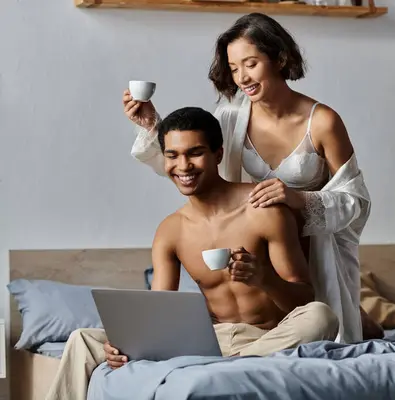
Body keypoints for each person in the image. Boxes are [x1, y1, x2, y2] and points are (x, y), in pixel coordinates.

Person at [45, 107, 339, 400]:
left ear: (218, 155)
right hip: (204, 342)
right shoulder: (171, 231)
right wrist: (120, 346)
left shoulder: (263, 210)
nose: (183, 166)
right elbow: (159, 313)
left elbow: (304, 299)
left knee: (321, 316)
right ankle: (219, 364)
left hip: (267, 337)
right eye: (172, 155)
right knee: (82, 339)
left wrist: (263, 279)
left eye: (195, 153)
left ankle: (221, 366)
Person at [123, 12, 380, 343]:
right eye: (233, 68)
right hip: (257, 251)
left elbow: (357, 201)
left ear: (280, 58)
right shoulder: (230, 119)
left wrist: (297, 197)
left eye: (250, 63)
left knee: (329, 327)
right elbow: (189, 163)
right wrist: (150, 125)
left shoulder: (323, 122)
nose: (241, 77)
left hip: (313, 256)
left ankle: (363, 319)